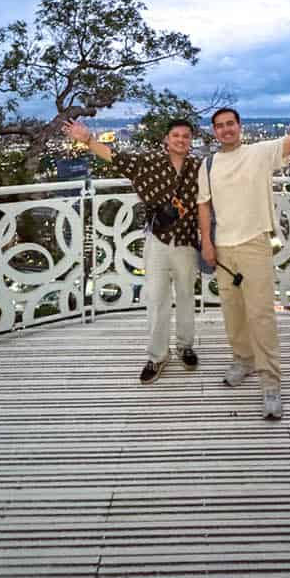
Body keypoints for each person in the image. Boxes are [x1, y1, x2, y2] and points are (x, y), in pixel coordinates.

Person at [198, 75, 290, 421]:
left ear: (239, 126)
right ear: (214, 132)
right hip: (222, 248)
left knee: (261, 315)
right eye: (220, 126)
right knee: (232, 314)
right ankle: (243, 361)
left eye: (231, 124)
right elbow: (204, 205)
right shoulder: (208, 164)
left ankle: (270, 384)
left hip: (253, 245)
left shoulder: (260, 153)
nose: (226, 130)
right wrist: (206, 243)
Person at [63, 117, 202, 384]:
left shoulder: (198, 167)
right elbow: (116, 158)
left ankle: (186, 345)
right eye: (176, 135)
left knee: (185, 295)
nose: (181, 140)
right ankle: (157, 355)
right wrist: (89, 140)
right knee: (157, 298)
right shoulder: (149, 163)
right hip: (158, 239)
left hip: (186, 239)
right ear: (167, 139)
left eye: (186, 136)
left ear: (190, 141)